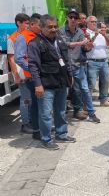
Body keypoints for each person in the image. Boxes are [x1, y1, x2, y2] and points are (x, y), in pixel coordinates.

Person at [28, 14, 76, 150]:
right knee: (46, 114)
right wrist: (38, 85)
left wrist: (70, 76)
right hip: (46, 85)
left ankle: (62, 134)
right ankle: (46, 139)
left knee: (61, 111)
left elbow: (66, 60)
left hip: (61, 82)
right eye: (50, 27)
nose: (54, 29)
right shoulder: (35, 43)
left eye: (55, 26)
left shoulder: (60, 40)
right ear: (41, 27)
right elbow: (33, 66)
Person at [58, 8, 101, 123]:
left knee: (85, 89)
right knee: (64, 93)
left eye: (75, 18)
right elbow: (64, 45)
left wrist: (88, 46)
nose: (73, 19)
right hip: (65, 67)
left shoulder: (80, 32)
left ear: (78, 20)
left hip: (78, 66)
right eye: (71, 17)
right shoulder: (61, 31)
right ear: (67, 18)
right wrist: (80, 43)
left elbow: (84, 47)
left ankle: (91, 113)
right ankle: (61, 118)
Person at [14, 13, 42, 140]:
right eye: (40, 25)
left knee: (41, 103)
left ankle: (42, 126)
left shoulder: (39, 36)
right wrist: (32, 68)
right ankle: (35, 128)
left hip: (41, 75)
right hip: (30, 76)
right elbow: (18, 58)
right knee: (31, 103)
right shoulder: (21, 37)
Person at [7, 13, 33, 133]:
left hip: (30, 72)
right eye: (26, 23)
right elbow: (11, 59)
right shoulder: (12, 38)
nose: (28, 25)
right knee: (25, 99)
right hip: (22, 73)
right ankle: (25, 124)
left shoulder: (28, 35)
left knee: (31, 99)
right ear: (18, 22)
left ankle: (32, 121)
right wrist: (16, 75)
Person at [85, 16, 109, 106]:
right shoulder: (86, 33)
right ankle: (87, 103)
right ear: (87, 23)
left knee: (105, 81)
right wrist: (96, 35)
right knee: (91, 83)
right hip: (92, 61)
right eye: (92, 21)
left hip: (104, 61)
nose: (94, 23)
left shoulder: (101, 33)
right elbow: (88, 45)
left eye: (95, 21)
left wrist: (104, 34)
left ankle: (103, 99)